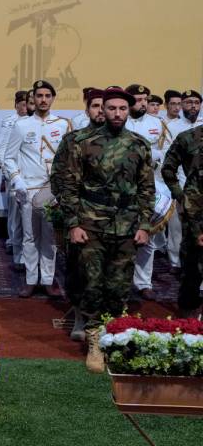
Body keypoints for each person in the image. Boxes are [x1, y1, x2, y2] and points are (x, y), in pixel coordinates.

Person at [59, 87, 155, 372]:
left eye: (122, 109)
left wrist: (145, 225)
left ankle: (113, 339)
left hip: (127, 225)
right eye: (111, 108)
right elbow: (69, 186)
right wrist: (74, 223)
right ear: (103, 110)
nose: (116, 113)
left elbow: (146, 189)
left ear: (128, 111)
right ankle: (94, 343)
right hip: (91, 224)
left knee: (119, 286)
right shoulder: (84, 143)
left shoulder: (139, 145)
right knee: (92, 283)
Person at [4, 80, 71, 298]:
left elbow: (70, 158)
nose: (43, 100)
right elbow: (9, 158)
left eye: (47, 96)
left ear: (52, 99)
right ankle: (31, 279)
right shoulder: (21, 125)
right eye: (39, 96)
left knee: (50, 237)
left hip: (53, 190)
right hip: (29, 189)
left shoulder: (63, 125)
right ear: (33, 98)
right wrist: (17, 180)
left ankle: (49, 280)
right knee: (30, 236)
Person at [51, 88, 105, 340]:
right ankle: (80, 319)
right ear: (87, 110)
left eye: (105, 106)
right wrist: (69, 210)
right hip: (81, 219)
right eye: (95, 106)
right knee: (79, 271)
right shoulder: (73, 140)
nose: (101, 111)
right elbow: (58, 177)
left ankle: (107, 321)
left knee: (112, 273)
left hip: (116, 221)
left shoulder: (128, 141)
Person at [124, 84, 166, 301]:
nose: (142, 103)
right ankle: (122, 280)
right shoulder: (121, 121)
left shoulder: (157, 124)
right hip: (124, 188)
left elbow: (167, 151)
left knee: (147, 236)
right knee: (123, 237)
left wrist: (157, 155)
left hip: (149, 187)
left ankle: (143, 282)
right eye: (138, 99)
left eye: (145, 99)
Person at [162, 106, 203, 318]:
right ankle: (188, 311)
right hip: (195, 210)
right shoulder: (188, 138)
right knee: (192, 263)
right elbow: (168, 169)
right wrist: (180, 195)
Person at [0, 90, 31, 271]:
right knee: (15, 216)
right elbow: (1, 146)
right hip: (13, 174)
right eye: (22, 104)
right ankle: (16, 250)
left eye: (27, 104)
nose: (25, 108)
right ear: (16, 105)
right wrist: (6, 171)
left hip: (32, 175)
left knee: (31, 219)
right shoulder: (10, 121)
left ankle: (28, 254)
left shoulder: (35, 123)